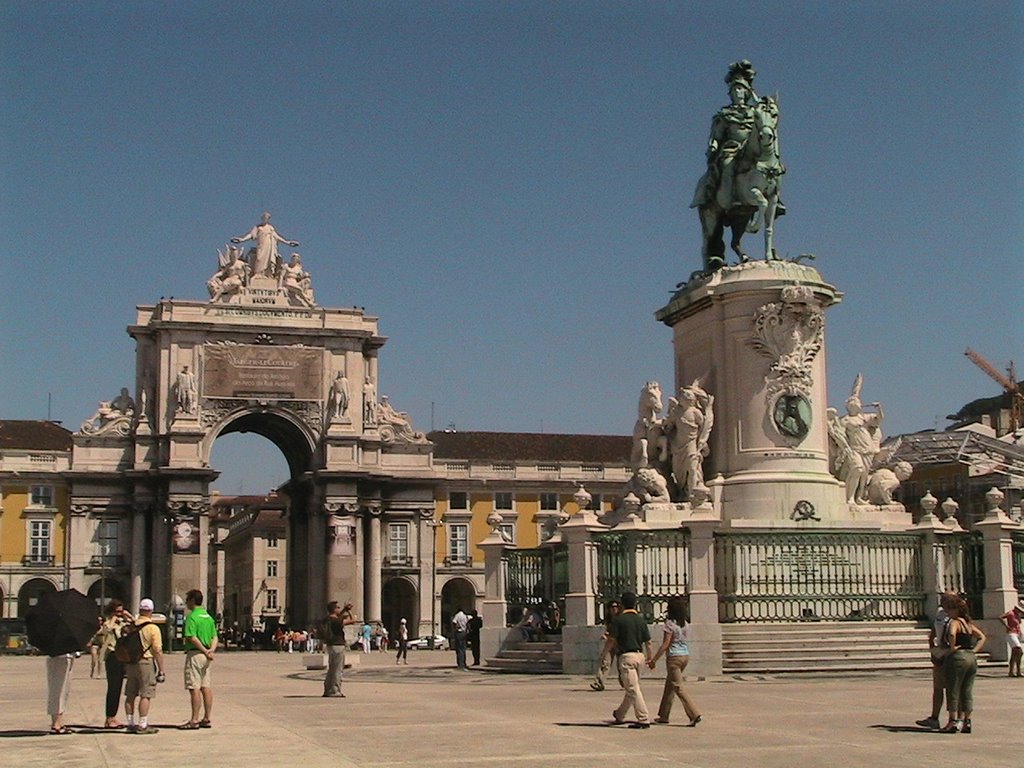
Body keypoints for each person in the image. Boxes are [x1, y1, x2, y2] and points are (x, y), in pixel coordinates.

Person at [602, 591, 653, 728]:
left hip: (626, 657)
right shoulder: (641, 620)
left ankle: (643, 719)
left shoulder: (619, 620)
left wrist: (603, 655)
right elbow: (648, 642)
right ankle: (620, 714)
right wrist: (650, 657)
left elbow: (611, 640)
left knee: (633, 689)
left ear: (622, 604)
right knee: (633, 687)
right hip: (640, 656)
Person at [648, 597, 701, 726]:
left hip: (674, 657)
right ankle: (663, 715)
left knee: (678, 686)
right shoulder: (684, 624)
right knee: (669, 686)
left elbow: (666, 643)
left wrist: (654, 659)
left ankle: (694, 714)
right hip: (685, 655)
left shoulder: (670, 624)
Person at [939, 594, 986, 733]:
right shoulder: (968, 624)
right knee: (967, 690)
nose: (947, 612)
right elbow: (982, 637)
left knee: (953, 688)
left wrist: (952, 647)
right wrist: (974, 651)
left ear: (956, 610)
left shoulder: (955, 622)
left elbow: (952, 634)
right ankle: (967, 721)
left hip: (958, 658)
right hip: (970, 657)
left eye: (950, 609)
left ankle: (952, 721)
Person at [124, 598, 166, 735]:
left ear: (140, 610)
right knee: (145, 694)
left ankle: (130, 723)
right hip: (145, 662)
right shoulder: (153, 628)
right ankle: (142, 724)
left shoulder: (132, 625)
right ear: (151, 611)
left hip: (131, 663)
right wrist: (161, 670)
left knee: (130, 694)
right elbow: (157, 650)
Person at [916, 592, 956, 730]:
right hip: (939, 653)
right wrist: (932, 647)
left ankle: (954, 719)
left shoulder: (957, 615)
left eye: (945, 598)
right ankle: (934, 718)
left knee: (952, 689)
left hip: (951, 654)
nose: (942, 599)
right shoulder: (939, 613)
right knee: (938, 688)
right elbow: (934, 630)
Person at [180, 589, 218, 730]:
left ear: (192, 600)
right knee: (206, 687)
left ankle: (194, 719)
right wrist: (210, 651)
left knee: (194, 687)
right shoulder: (208, 617)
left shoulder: (192, 617)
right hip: (207, 656)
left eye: (187, 600)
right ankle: (207, 717)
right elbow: (215, 637)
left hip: (195, 654)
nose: (186, 603)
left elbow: (192, 637)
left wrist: (203, 650)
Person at [231, 211, 299, 279]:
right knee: (259, 259)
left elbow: (277, 237)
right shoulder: (258, 227)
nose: (265, 219)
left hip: (269, 247)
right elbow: (251, 235)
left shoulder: (270, 228)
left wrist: (287, 242)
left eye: (267, 218)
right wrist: (242, 239)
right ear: (262, 218)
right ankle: (258, 274)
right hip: (261, 246)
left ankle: (268, 274)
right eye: (264, 217)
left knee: (269, 260)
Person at [100, 599, 134, 729]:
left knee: (120, 687)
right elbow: (106, 631)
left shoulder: (123, 622)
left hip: (123, 655)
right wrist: (113, 619)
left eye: (121, 611)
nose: (119, 614)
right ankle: (110, 717)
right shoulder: (109, 622)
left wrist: (128, 616)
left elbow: (135, 626)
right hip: (112, 656)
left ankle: (113, 716)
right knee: (113, 687)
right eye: (117, 611)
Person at [322, 601, 356, 698]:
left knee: (332, 668)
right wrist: (349, 611)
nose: (339, 609)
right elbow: (353, 620)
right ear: (334, 609)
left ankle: (328, 689)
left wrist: (344, 610)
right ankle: (335, 691)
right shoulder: (337, 621)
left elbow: (337, 617)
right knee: (337, 669)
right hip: (338, 645)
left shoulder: (327, 619)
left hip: (330, 645)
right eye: (338, 607)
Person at [590, 600, 621, 691]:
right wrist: (606, 634)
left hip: (620, 644)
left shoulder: (620, 619)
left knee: (621, 666)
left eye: (616, 607)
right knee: (605, 663)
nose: (614, 609)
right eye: (612, 607)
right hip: (610, 643)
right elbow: (610, 631)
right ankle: (599, 682)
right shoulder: (609, 619)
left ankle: (626, 682)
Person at [45, 651, 76, 735]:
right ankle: (56, 723)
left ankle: (59, 721)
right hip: (59, 657)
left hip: (67, 656)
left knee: (64, 690)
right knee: (58, 689)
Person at [999, 600, 1024, 677]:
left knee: (1014, 653)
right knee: (1019, 650)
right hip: (1011, 634)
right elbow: (1000, 617)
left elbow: (1018, 624)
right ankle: (1018, 670)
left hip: (1017, 633)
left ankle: (1012, 671)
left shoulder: (1017, 615)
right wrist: (1006, 626)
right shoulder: (1010, 613)